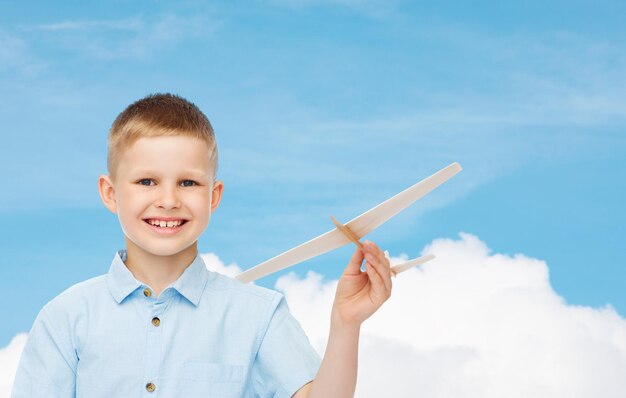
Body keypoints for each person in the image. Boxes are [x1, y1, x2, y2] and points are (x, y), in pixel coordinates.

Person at [11, 93, 393, 397]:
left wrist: (346, 323)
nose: (168, 199)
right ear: (110, 194)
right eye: (146, 181)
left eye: (188, 183)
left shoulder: (258, 316)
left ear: (214, 196)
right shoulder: (65, 319)